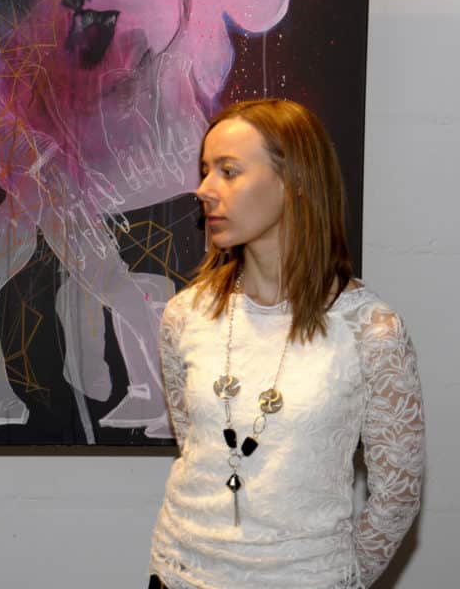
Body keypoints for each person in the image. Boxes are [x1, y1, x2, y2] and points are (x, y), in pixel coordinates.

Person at [147, 99, 425, 588]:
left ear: (294, 180)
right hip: (180, 572)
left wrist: (334, 577)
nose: (204, 189)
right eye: (206, 170)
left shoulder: (371, 330)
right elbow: (196, 447)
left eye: (228, 171)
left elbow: (397, 495)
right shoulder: (185, 315)